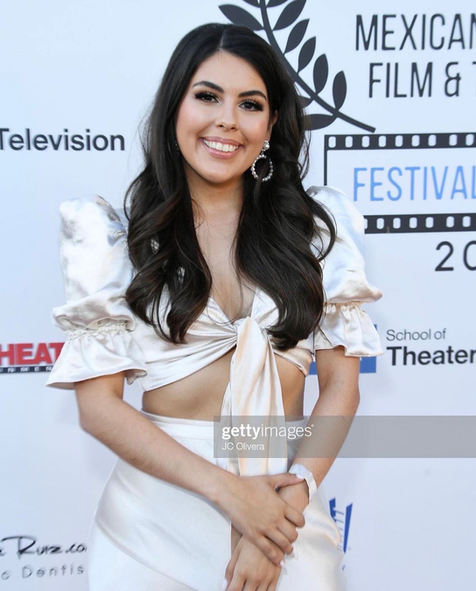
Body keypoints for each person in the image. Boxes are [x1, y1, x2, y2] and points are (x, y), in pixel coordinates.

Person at [45, 22, 384, 591]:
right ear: (174, 107)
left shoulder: (317, 235)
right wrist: (233, 498)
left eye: (250, 104)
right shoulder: (116, 242)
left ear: (271, 125)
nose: (227, 119)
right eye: (207, 96)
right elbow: (98, 408)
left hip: (284, 512)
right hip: (153, 526)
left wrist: (284, 507)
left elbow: (342, 387)